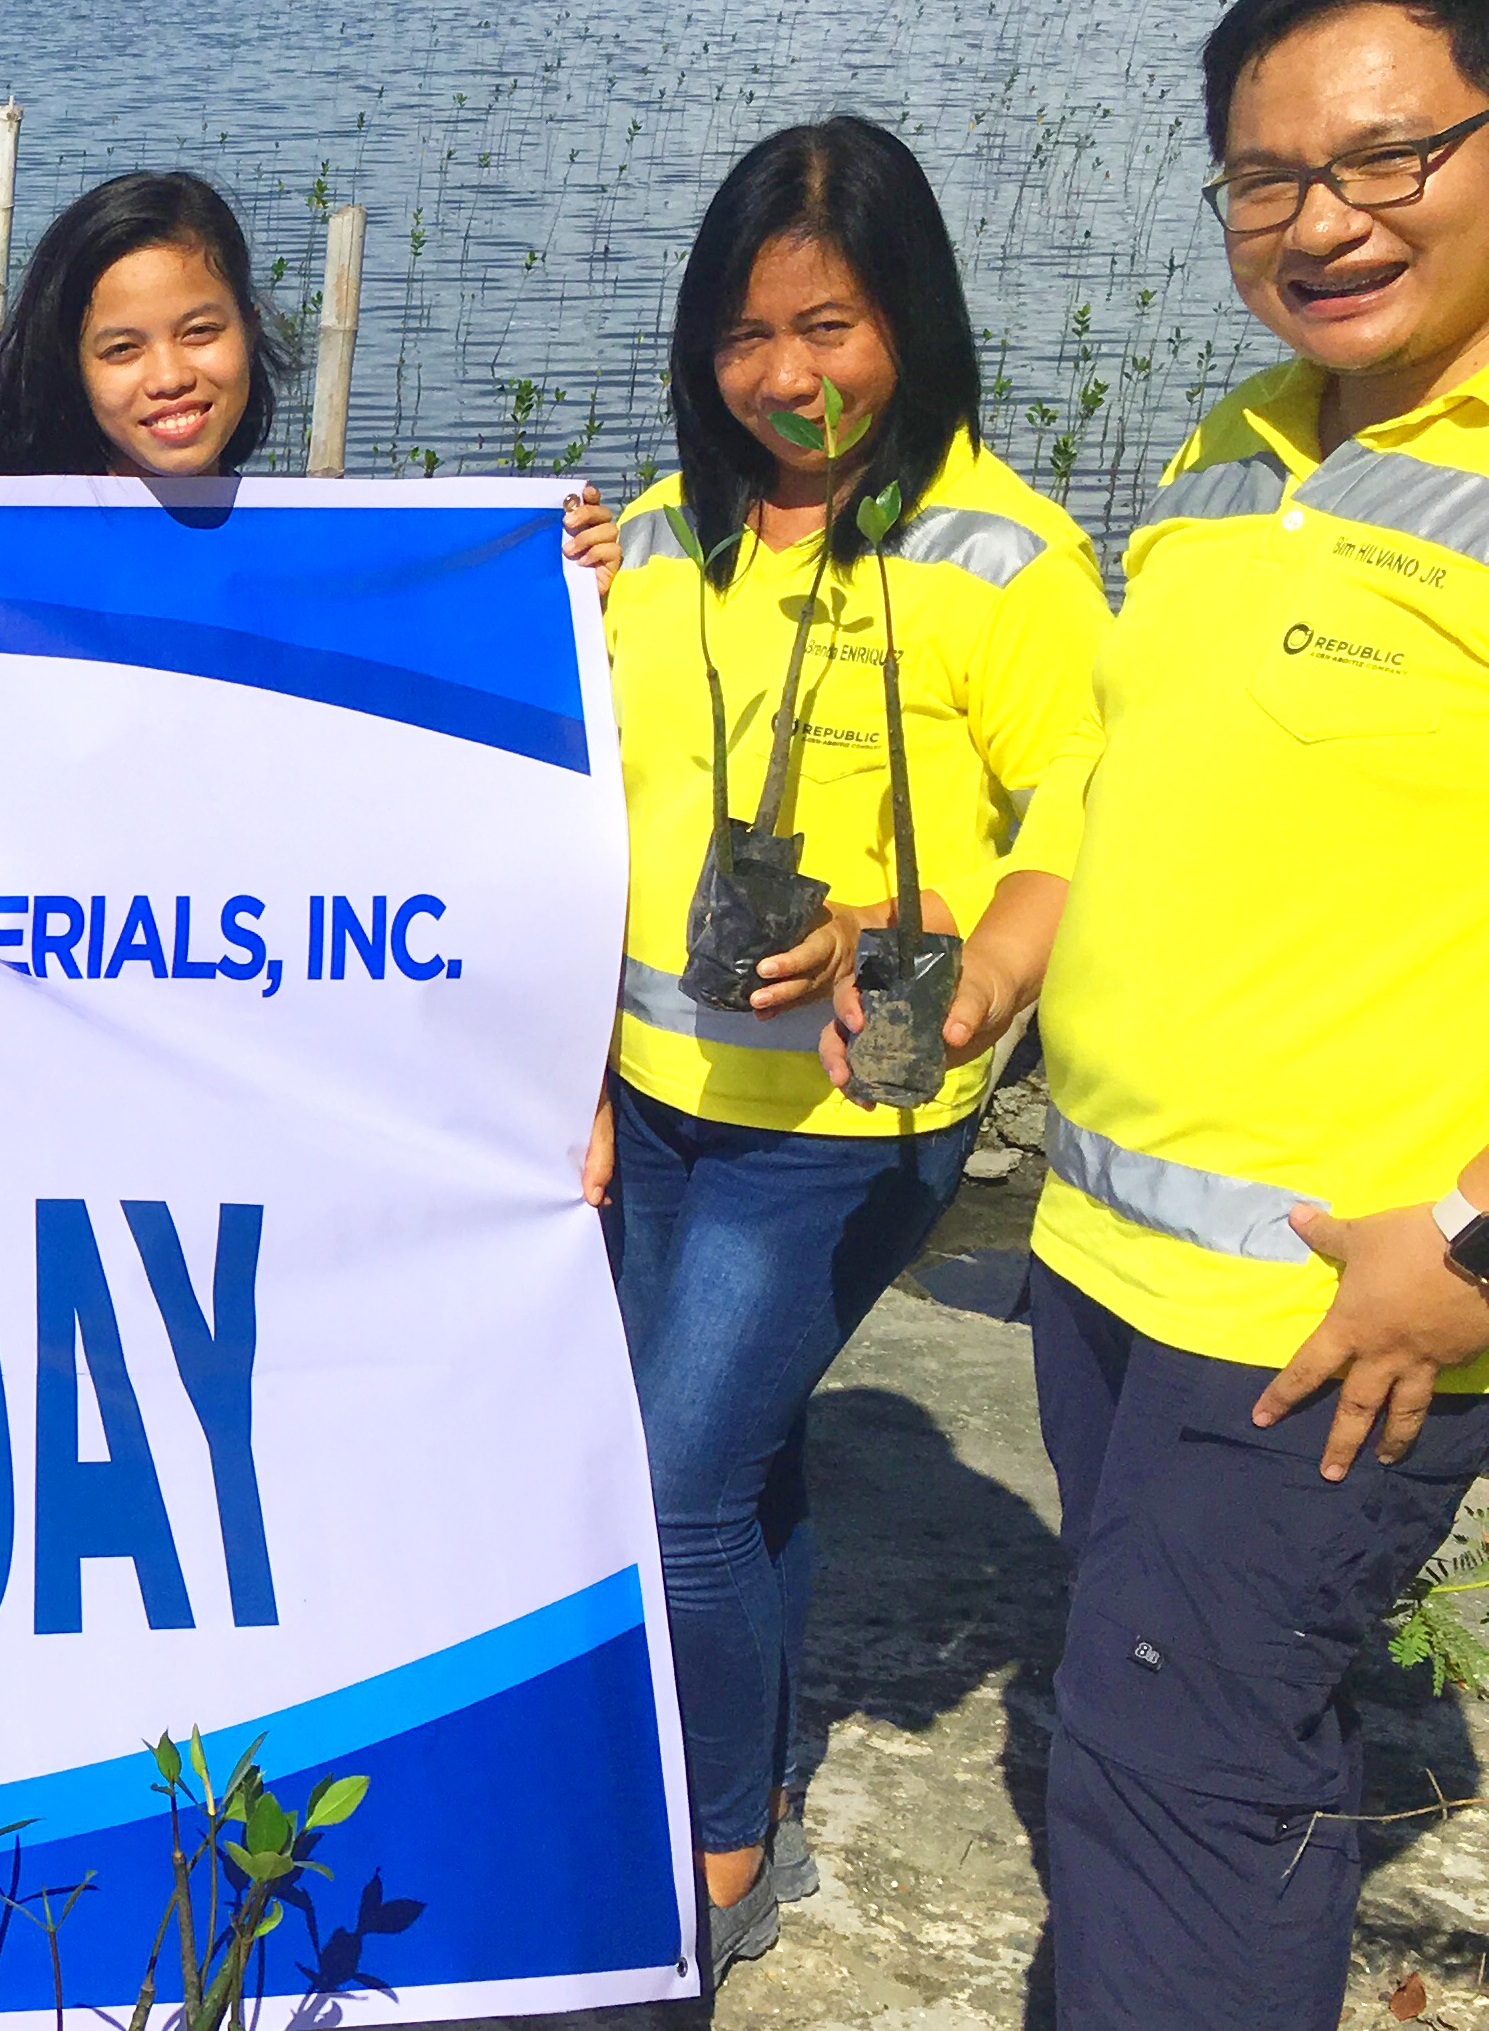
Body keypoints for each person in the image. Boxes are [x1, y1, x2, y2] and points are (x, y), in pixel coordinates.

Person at [1025, 0, 1489, 2029]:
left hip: (1328, 1316)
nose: (1322, 223)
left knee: (1183, 1788)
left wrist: (1472, 1231)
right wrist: (1017, 912)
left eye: (1388, 161)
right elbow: (1145, 755)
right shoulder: (1235, 440)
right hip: (1116, 1271)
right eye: (1264, 178)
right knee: (1142, 1739)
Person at [593, 117, 1108, 1982]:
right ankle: (772, 1756)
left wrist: (961, 973)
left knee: (664, 1489)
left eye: (828, 325)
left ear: (910, 316)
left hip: (845, 1109)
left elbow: (1076, 817)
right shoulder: (652, 535)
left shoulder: (1002, 553)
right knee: (743, 1464)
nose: (787, 379)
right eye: (745, 337)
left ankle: (723, 1847)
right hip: (654, 1103)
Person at [0, 169, 619, 568]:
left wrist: (568, 593)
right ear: (73, 367)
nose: (169, 375)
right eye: (122, 349)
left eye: (200, 330)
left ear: (249, 329)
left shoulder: (321, 547)